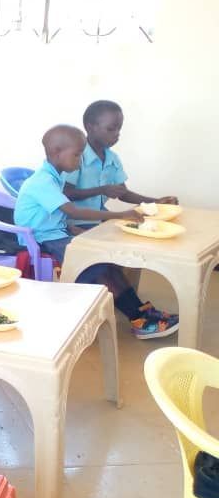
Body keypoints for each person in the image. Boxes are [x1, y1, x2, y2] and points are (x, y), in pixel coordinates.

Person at [16, 125, 178, 339]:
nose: (80, 159)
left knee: (106, 261)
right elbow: (71, 209)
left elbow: (55, 213)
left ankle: (143, 312)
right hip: (41, 240)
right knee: (95, 264)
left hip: (56, 233)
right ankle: (139, 319)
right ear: (56, 152)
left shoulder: (56, 175)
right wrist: (120, 215)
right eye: (77, 154)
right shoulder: (43, 181)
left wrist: (67, 226)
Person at [63, 100, 179, 226]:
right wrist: (102, 190)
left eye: (119, 129)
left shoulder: (112, 158)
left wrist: (156, 202)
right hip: (74, 222)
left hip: (99, 218)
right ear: (90, 127)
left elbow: (123, 194)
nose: (117, 134)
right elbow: (66, 193)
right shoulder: (76, 156)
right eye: (111, 129)